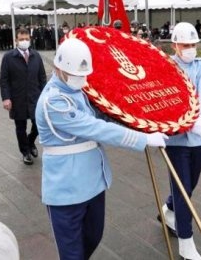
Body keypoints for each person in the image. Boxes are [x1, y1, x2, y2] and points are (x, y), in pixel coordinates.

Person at [35, 38, 168, 260]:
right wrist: (142, 138)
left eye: (83, 75)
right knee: (71, 253)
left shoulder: (76, 90)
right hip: (67, 190)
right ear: (59, 69)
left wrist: (138, 117)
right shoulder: (53, 102)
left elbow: (103, 113)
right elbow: (96, 128)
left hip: (93, 182)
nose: (82, 79)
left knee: (93, 237)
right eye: (77, 75)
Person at [157, 22, 201, 260]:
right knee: (183, 190)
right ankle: (186, 241)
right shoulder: (165, 66)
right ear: (175, 45)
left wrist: (200, 116)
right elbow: (161, 95)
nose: (190, 49)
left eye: (193, 44)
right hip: (176, 139)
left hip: (199, 136)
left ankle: (169, 208)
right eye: (185, 45)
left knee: (189, 187)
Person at [0, 28, 47, 165]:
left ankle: (30, 141)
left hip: (35, 97)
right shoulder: (8, 57)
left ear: (30, 40)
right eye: (21, 39)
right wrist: (6, 98)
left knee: (38, 125)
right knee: (20, 127)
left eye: (26, 39)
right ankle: (25, 152)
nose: (24, 41)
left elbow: (42, 77)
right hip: (17, 98)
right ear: (16, 40)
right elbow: (4, 80)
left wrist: (45, 96)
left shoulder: (36, 56)